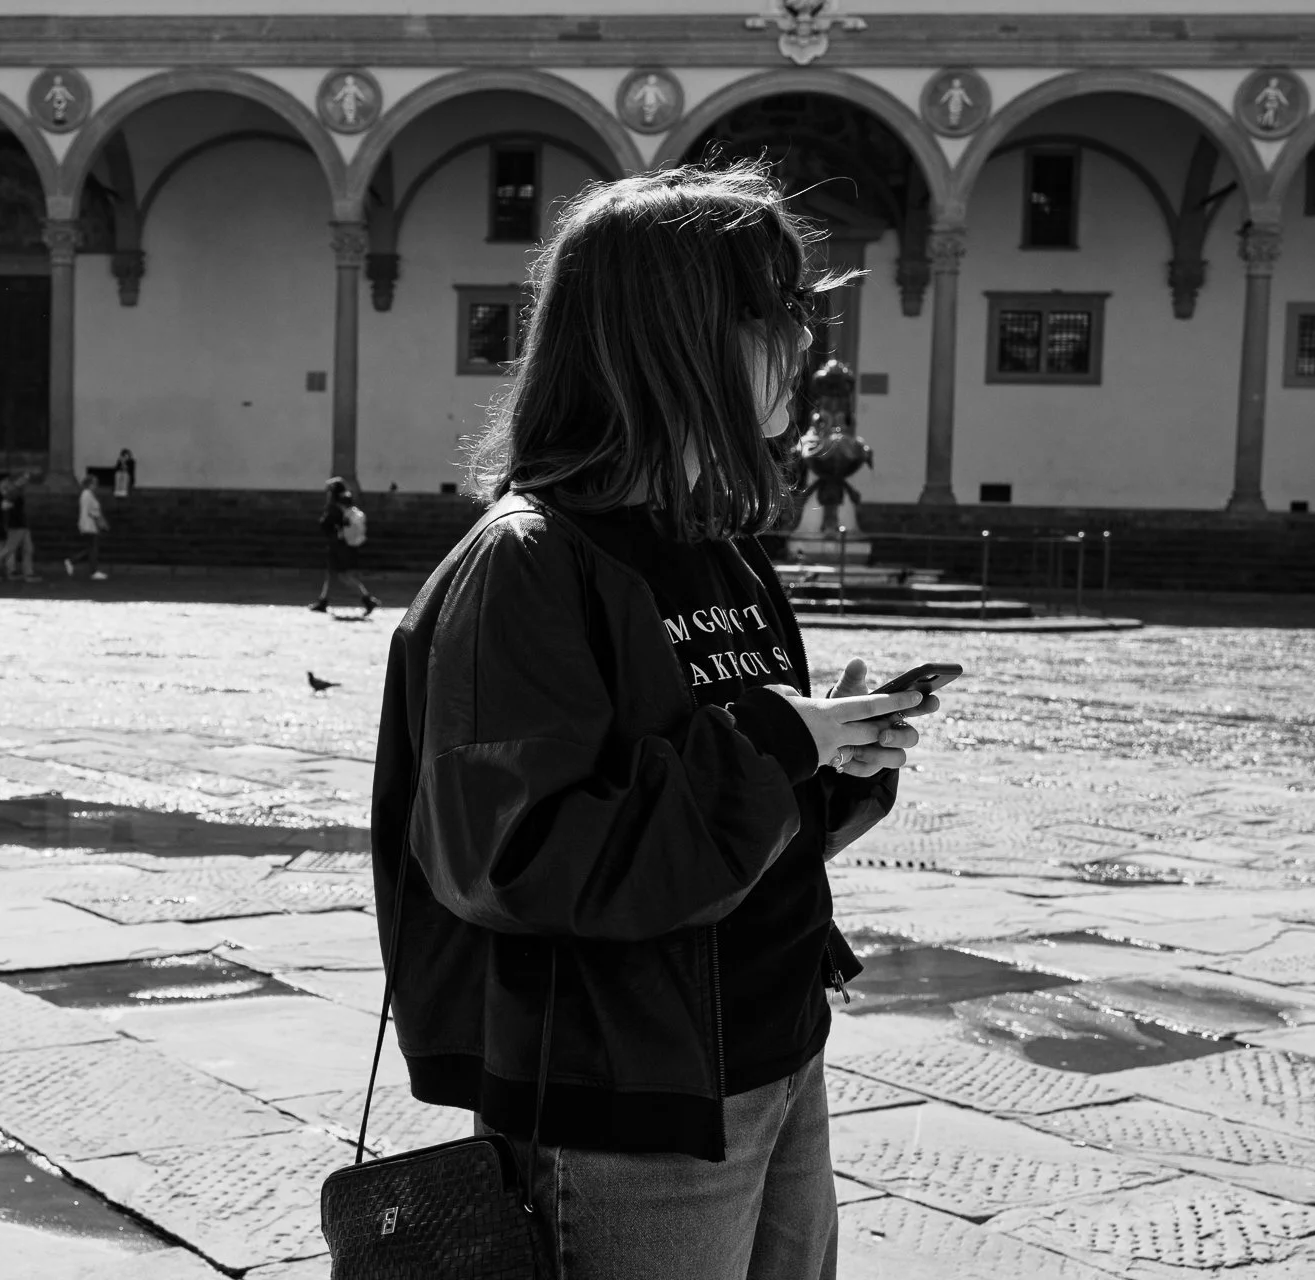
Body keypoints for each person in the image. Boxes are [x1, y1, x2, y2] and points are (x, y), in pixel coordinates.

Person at [370, 164, 942, 1280]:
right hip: (624, 1105)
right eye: (778, 311)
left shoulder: (715, 545)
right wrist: (782, 741)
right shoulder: (528, 565)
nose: (808, 344)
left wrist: (834, 763)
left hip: (773, 1049)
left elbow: (718, 824)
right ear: (676, 333)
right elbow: (521, 860)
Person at [309, 477, 379, 616]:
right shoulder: (346, 501)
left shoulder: (335, 505)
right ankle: (323, 601)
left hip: (340, 545)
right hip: (341, 544)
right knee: (331, 574)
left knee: (344, 575)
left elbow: (327, 523)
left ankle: (367, 598)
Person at [64, 467, 110, 581]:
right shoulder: (88, 495)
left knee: (90, 548)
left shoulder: (85, 494)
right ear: (91, 484)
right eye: (95, 483)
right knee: (92, 548)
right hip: (89, 525)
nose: (96, 485)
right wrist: (103, 524)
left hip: (86, 525)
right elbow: (95, 512)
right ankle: (89, 569)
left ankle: (74, 562)